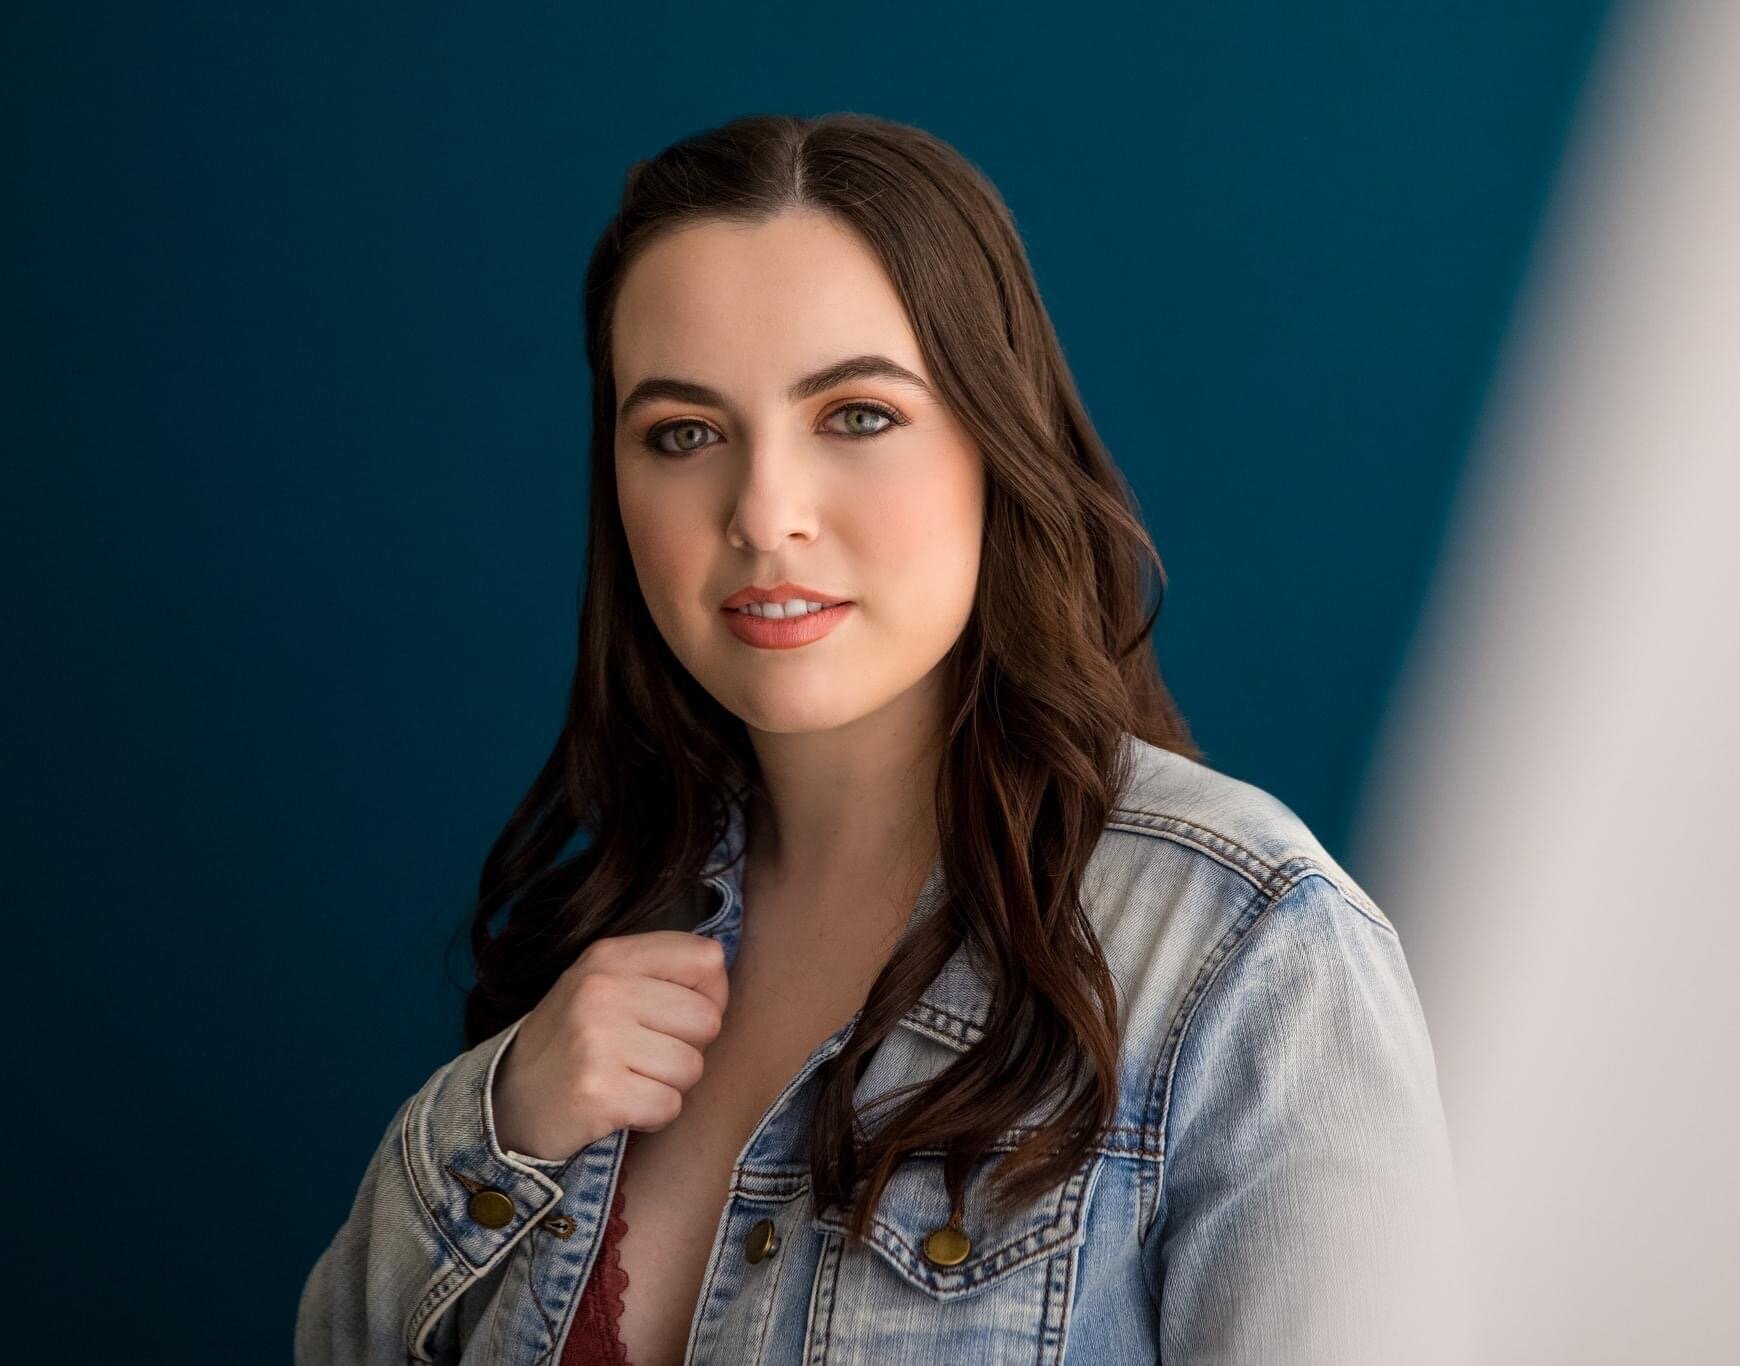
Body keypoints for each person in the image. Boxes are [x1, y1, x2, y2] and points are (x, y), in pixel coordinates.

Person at [294, 111, 1470, 1365]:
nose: (763, 515)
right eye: (682, 434)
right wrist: (502, 1121)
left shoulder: (1244, 954)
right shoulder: (590, 948)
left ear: (992, 441)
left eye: (855, 415)